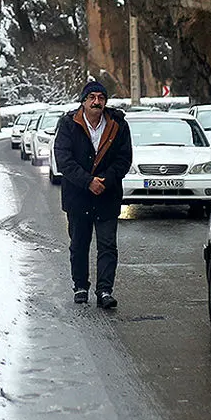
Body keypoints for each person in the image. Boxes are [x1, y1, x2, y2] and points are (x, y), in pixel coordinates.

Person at [52, 80, 133, 309]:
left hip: (107, 195)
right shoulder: (69, 124)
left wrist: (104, 182)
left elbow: (124, 159)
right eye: (92, 98)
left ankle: (105, 290)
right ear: (84, 101)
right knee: (79, 244)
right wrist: (88, 182)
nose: (96, 102)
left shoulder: (118, 124)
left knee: (107, 245)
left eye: (101, 97)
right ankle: (80, 286)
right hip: (78, 196)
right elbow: (64, 160)